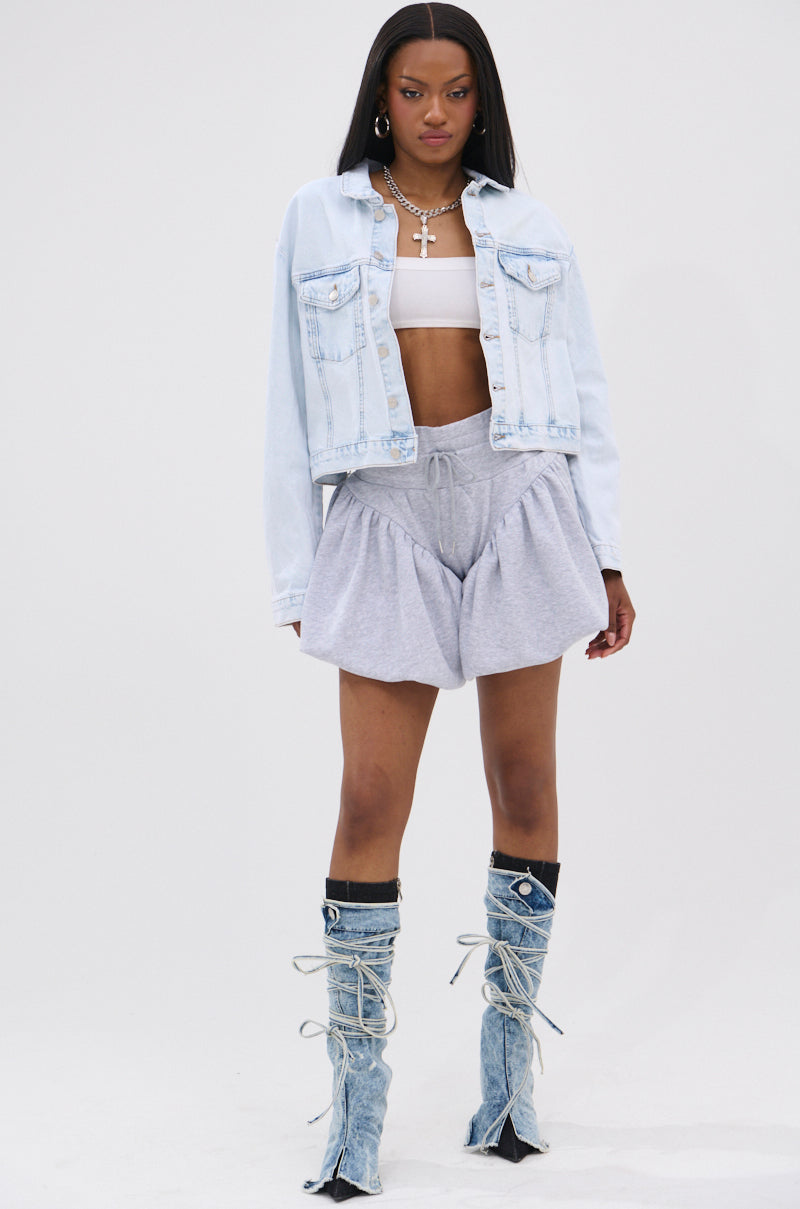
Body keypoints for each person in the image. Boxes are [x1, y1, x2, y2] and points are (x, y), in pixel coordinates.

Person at [264, 3, 635, 1199]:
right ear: (383, 95)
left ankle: (506, 1079)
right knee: (370, 796)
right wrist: (295, 569)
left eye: (457, 93)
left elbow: (581, 394)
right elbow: (281, 405)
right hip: (379, 509)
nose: (434, 114)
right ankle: (357, 1115)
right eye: (414, 92)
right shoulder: (317, 217)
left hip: (518, 496)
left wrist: (607, 551)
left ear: (482, 102)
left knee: (523, 783)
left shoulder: (526, 224)